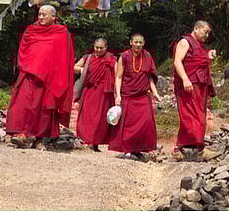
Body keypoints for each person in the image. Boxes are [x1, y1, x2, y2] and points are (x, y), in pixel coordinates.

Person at [5, 5, 76, 148]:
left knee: (43, 109)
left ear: (54, 17)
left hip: (49, 78)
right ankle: (22, 134)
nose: (41, 17)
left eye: (45, 15)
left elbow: (65, 57)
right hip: (30, 74)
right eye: (40, 15)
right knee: (23, 104)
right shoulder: (31, 30)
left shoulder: (61, 33)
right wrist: (27, 65)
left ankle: (39, 139)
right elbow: (24, 50)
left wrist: (58, 75)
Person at [110, 33, 162, 161]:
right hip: (128, 95)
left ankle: (138, 149)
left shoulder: (148, 56)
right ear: (131, 42)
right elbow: (119, 77)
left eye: (140, 42)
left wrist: (155, 93)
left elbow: (149, 77)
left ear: (143, 43)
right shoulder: (124, 56)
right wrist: (118, 95)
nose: (138, 45)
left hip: (143, 95)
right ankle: (128, 150)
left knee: (145, 123)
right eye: (136, 42)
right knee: (128, 125)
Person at [172, 20, 217, 160]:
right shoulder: (185, 42)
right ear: (196, 29)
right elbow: (177, 61)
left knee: (198, 116)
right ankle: (200, 149)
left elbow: (198, 62)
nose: (207, 36)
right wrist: (185, 79)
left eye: (208, 33)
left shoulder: (199, 46)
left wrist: (208, 56)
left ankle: (177, 149)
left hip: (200, 86)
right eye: (205, 32)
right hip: (189, 85)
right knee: (191, 117)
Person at [74, 38, 115, 151]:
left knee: (100, 118)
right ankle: (86, 140)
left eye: (101, 48)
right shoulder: (88, 58)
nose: (98, 50)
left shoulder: (111, 59)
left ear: (106, 47)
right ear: (94, 46)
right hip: (89, 90)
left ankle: (95, 143)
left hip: (103, 92)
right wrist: (83, 70)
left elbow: (117, 73)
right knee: (87, 116)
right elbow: (74, 67)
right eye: (96, 47)